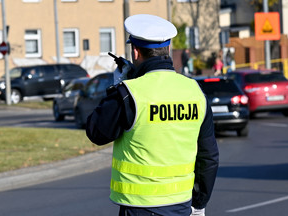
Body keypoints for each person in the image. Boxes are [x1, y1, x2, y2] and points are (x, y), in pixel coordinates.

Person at [86, 14, 219, 216]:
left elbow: (97, 132)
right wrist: (199, 203)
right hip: (182, 205)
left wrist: (117, 86)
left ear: (136, 52)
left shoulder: (129, 93)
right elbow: (208, 156)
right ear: (167, 49)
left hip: (140, 207)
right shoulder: (195, 91)